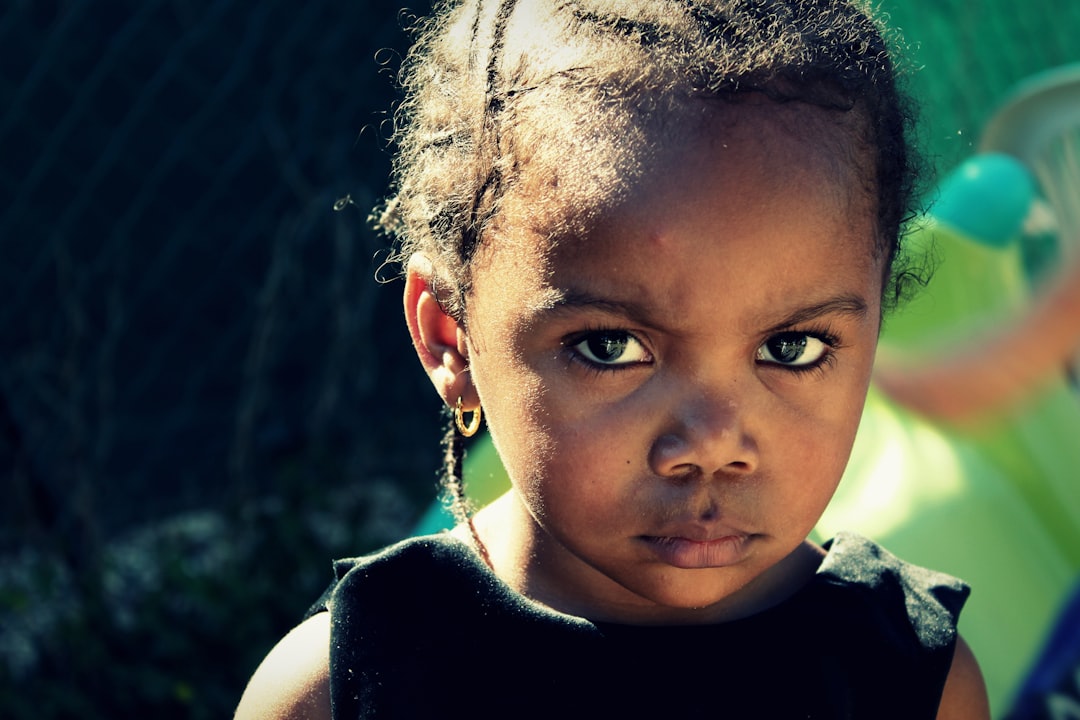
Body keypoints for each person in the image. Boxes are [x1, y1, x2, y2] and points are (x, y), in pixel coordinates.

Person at [235, 0, 991, 717]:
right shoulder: (349, 688)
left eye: (790, 348)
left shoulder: (910, 683)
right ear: (451, 335)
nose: (711, 444)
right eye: (610, 348)